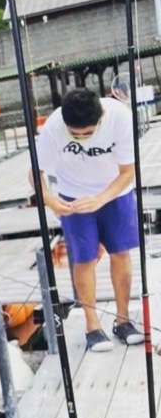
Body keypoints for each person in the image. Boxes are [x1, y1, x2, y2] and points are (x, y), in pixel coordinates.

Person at [32, 87, 141, 352]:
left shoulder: (119, 117)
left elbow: (128, 172)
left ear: (101, 116)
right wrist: (50, 200)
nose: (81, 139)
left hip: (115, 191)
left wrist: (100, 199)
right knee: (84, 258)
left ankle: (123, 321)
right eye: (75, 134)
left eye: (88, 133)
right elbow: (36, 173)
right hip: (73, 195)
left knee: (120, 252)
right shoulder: (53, 126)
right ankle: (93, 327)